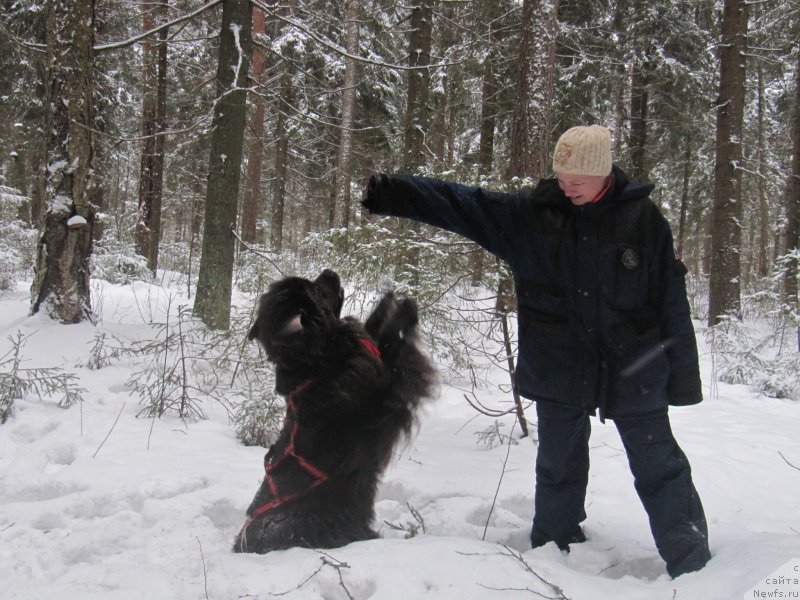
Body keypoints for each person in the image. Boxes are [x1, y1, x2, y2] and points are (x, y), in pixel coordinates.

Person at [361, 124, 711, 578]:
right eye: (561, 179)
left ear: (603, 173)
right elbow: (462, 205)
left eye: (577, 181)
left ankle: (692, 561)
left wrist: (683, 380)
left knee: (659, 465)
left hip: (634, 367)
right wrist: (394, 193)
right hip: (558, 364)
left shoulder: (643, 221)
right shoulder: (532, 216)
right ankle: (554, 548)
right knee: (558, 464)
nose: (567, 189)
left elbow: (671, 303)